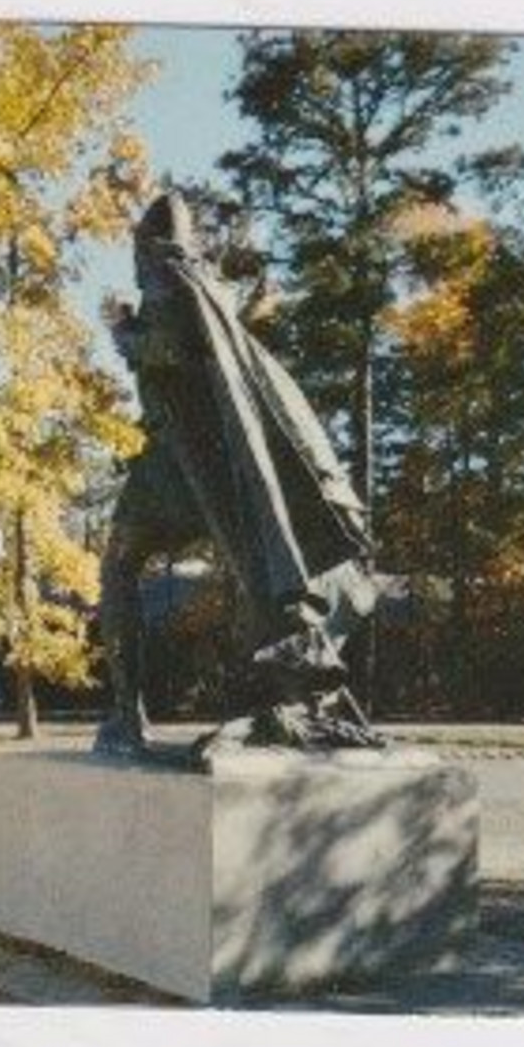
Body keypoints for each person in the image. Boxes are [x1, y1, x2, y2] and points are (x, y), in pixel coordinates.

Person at [96, 192, 379, 755]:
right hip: (213, 461)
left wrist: (120, 331)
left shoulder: (167, 276)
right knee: (243, 570)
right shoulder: (207, 285)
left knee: (119, 565)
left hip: (183, 462)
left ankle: (126, 714)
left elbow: (169, 348)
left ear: (145, 247)